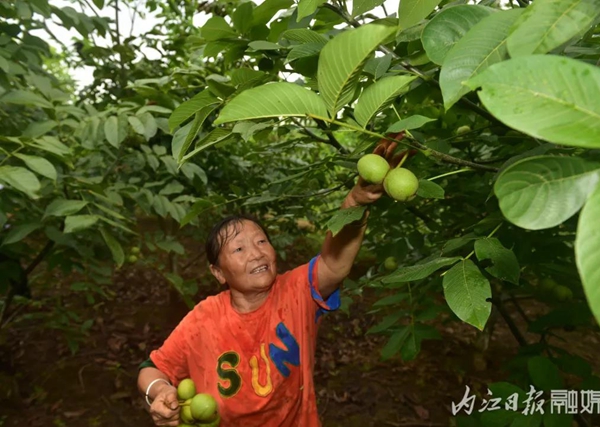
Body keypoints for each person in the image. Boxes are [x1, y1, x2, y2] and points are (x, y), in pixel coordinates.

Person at [137, 134, 406, 426]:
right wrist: (160, 391)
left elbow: (333, 263)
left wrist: (354, 201)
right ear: (218, 272)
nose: (256, 253)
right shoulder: (203, 318)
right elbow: (152, 368)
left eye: (262, 241)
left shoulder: (297, 291)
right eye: (239, 249)